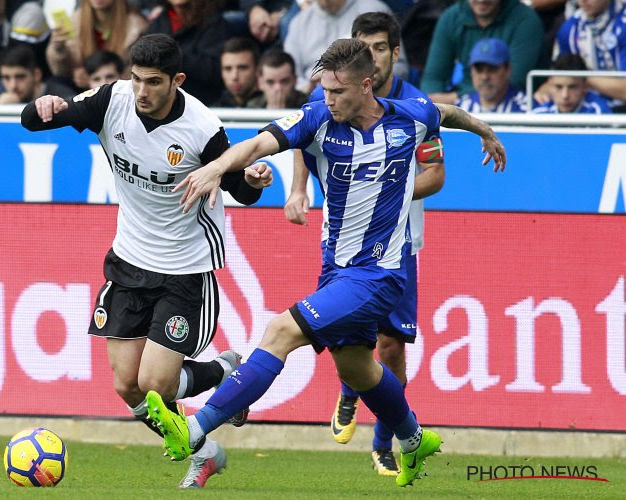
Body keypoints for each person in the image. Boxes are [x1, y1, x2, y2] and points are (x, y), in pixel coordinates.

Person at [145, 37, 506, 488]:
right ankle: (414, 440)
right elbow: (259, 144)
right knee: (356, 368)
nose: (327, 98)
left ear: (366, 85)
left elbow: (447, 115)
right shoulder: (317, 119)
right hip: (336, 268)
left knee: (280, 330)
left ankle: (195, 428)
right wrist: (219, 168)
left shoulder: (409, 118)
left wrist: (484, 131)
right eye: (325, 89)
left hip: (380, 274)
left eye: (337, 91)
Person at [21, 34, 272, 490]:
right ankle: (205, 451)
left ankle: (228, 372)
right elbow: (34, 122)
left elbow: (241, 190)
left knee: (155, 383)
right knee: (127, 386)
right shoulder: (111, 100)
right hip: (129, 260)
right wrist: (41, 107)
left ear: (176, 80)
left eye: (153, 82)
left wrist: (255, 179)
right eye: (136, 79)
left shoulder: (202, 127)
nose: (141, 91)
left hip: (185, 268)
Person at [285, 11, 446, 476]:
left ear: (394, 53)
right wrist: (298, 190)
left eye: (379, 48)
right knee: (354, 345)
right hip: (347, 246)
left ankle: (384, 442)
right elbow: (302, 138)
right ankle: (351, 387)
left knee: (392, 347)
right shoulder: (330, 98)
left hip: (400, 244)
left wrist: (385, 192)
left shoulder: (416, 107)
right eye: (364, 47)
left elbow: (435, 174)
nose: (371, 57)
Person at [420, 0, 544, 104]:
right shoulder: (450, 17)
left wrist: (457, 98)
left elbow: (514, 79)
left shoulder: (526, 20)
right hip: (462, 104)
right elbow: (433, 78)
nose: (481, 0)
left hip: (515, 105)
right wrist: (432, 104)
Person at [284, 0, 404, 93]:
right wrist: (305, 88)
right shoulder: (300, 21)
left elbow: (400, 66)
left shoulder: (373, 9)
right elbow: (288, 73)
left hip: (362, 96)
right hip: (309, 98)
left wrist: (352, 83)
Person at [46, 0, 147, 90]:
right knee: (55, 82)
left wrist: (123, 77)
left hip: (122, 89)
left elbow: (143, 68)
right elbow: (60, 72)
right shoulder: (74, 22)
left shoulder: (136, 27)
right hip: (82, 90)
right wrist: (58, 48)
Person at [147, 0, 231, 106]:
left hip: (200, 104)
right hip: (160, 104)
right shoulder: (160, 20)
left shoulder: (213, 22)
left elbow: (214, 70)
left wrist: (173, 55)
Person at [551, 0, 626, 107]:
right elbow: (560, 77)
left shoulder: (623, 25)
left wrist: (580, 77)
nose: (583, 1)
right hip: (585, 108)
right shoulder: (570, 28)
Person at [456, 38, 526, 112]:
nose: (484, 77)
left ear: (508, 70)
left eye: (492, 69)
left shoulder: (526, 109)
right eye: (479, 70)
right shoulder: (461, 107)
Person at [533, 53, 612, 113]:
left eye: (572, 87)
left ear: (585, 87)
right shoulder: (539, 114)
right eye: (558, 87)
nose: (565, 95)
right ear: (549, 85)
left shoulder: (598, 113)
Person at [0, 45, 75, 103]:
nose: (13, 86)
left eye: (20, 77)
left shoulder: (63, 98)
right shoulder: (0, 97)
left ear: (37, 75)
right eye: (6, 78)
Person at [214, 37, 262, 107]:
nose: (234, 77)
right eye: (228, 69)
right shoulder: (213, 111)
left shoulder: (273, 108)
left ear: (258, 70)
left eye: (242, 68)